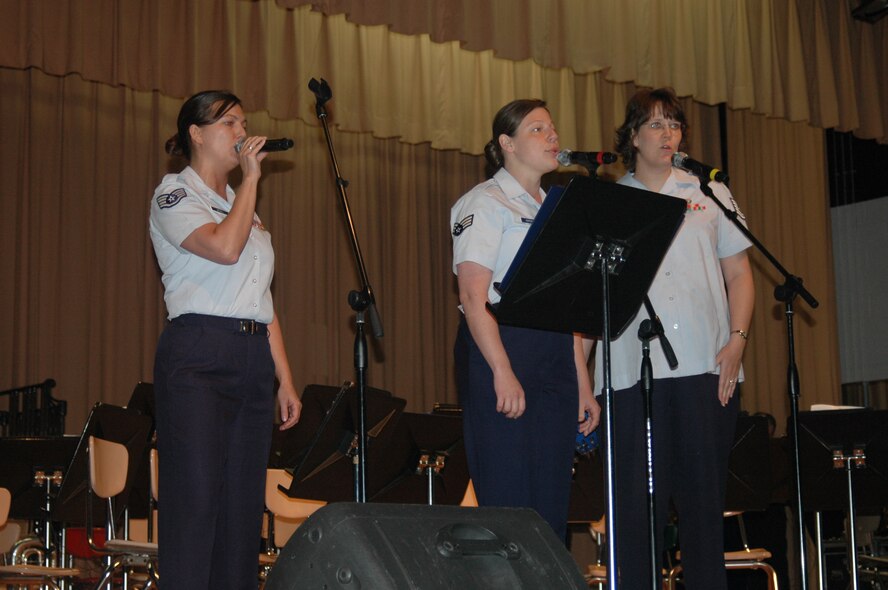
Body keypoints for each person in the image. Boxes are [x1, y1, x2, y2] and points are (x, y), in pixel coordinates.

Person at [594, 87, 755, 588]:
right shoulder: (611, 200)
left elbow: (741, 275)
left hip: (706, 366)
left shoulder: (709, 193)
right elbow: (590, 296)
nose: (669, 134)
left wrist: (738, 341)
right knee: (637, 512)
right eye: (656, 125)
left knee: (704, 508)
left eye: (675, 124)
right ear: (633, 138)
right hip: (627, 372)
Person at [149, 90, 301, 589]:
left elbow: (262, 298)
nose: (242, 132)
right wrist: (253, 178)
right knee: (195, 502)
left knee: (241, 510)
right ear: (196, 133)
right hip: (199, 353)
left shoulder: (243, 204)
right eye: (230, 123)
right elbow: (224, 248)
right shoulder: (175, 194)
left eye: (244, 123)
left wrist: (284, 378)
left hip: (252, 355)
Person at [451, 98, 600, 543]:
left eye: (552, 128)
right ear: (507, 144)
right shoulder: (484, 202)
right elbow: (472, 298)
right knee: (510, 510)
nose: (552, 136)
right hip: (503, 346)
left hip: (555, 354)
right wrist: (502, 370)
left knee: (551, 510)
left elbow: (566, 306)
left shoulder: (559, 209)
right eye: (537, 129)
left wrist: (582, 384)